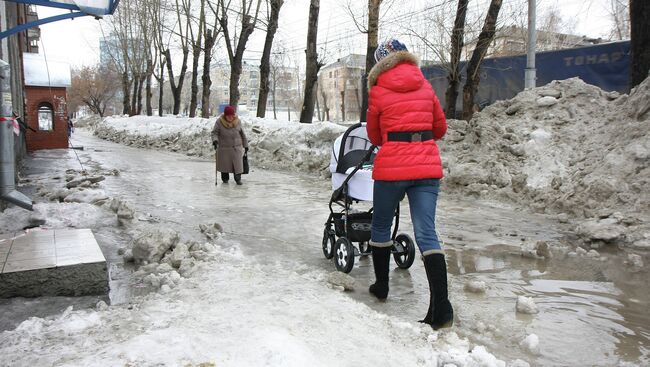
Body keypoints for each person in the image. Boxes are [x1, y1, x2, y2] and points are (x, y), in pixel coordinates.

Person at [366, 39, 453, 330]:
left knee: (380, 226)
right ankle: (441, 308)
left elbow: (375, 137)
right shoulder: (426, 86)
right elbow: (440, 128)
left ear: (380, 63)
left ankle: (381, 286)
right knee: (428, 234)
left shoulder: (378, 91)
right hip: (427, 168)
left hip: (392, 169)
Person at [211, 105, 248, 185]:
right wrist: (215, 141)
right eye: (228, 116)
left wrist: (246, 145)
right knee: (225, 166)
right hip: (224, 149)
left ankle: (238, 179)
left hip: (236, 148)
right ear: (225, 115)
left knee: (237, 166)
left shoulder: (238, 121)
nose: (230, 117)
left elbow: (242, 134)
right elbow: (214, 133)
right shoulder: (219, 122)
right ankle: (225, 179)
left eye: (232, 115)